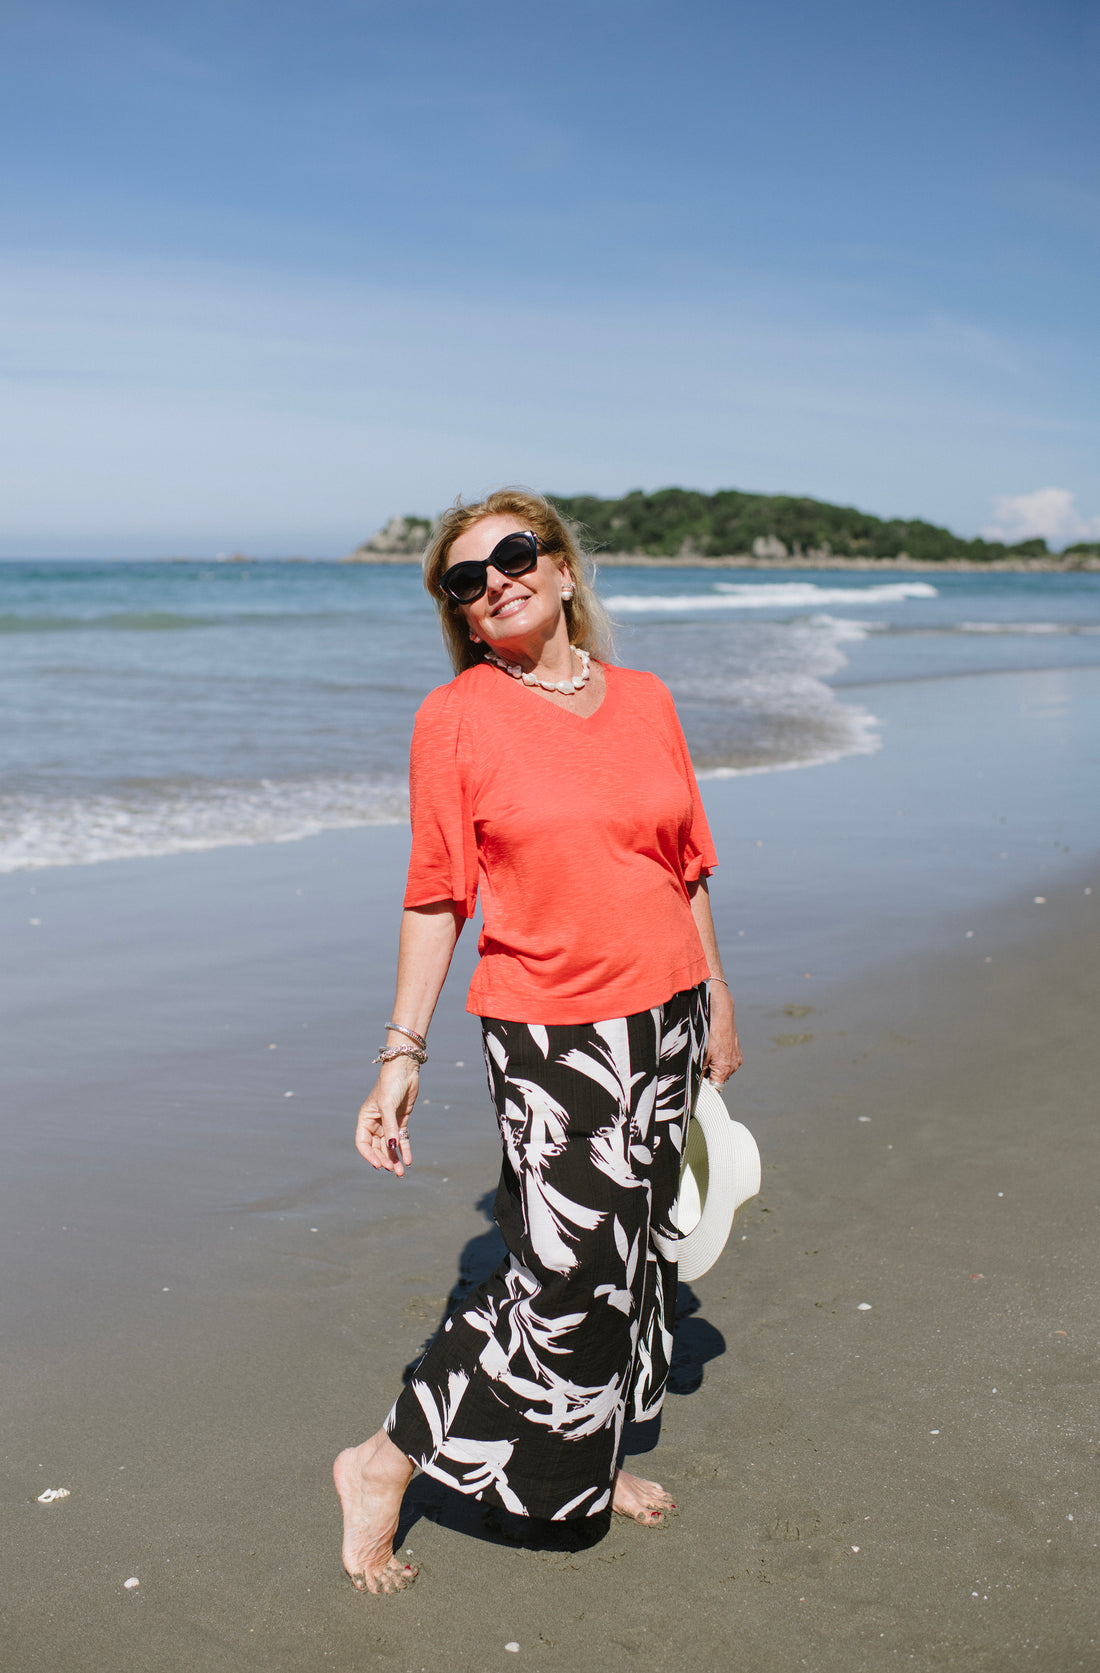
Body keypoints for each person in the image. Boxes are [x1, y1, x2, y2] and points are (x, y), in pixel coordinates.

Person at [333, 488, 741, 1593]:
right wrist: (400, 1053)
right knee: (563, 1273)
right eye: (465, 579)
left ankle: (590, 1460)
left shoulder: (647, 698)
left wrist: (716, 995)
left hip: (666, 1010)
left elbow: (685, 864)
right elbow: (437, 894)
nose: (494, 583)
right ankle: (382, 1459)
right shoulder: (455, 718)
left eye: (513, 555)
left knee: (635, 1257)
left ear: (562, 567)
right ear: (461, 613)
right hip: (553, 1029)